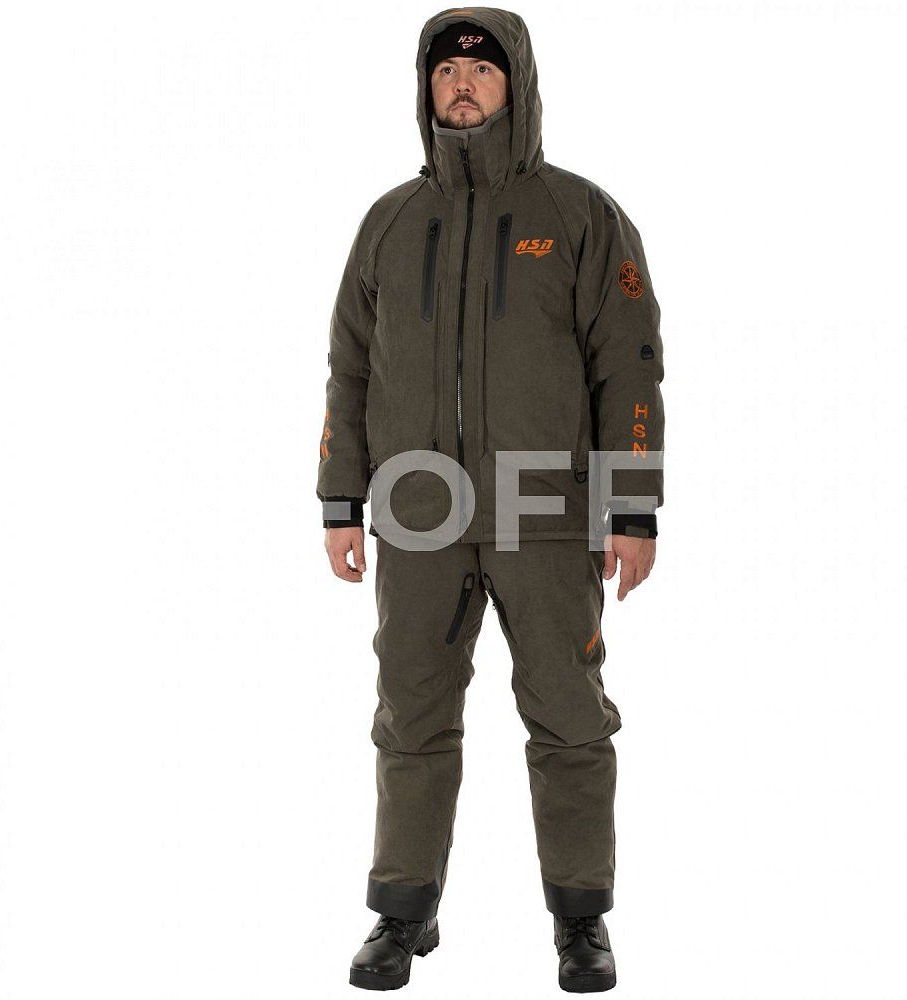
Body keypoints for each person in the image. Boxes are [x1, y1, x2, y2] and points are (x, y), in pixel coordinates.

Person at [318, 7, 664, 992]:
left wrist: (632, 510)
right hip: (416, 507)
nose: (462, 84)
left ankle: (581, 918)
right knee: (410, 716)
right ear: (424, 88)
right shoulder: (389, 222)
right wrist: (340, 500)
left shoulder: (581, 214)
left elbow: (629, 368)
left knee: (569, 716)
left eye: (481, 67)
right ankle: (402, 910)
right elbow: (348, 367)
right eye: (445, 70)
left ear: (518, 84)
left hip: (544, 508)